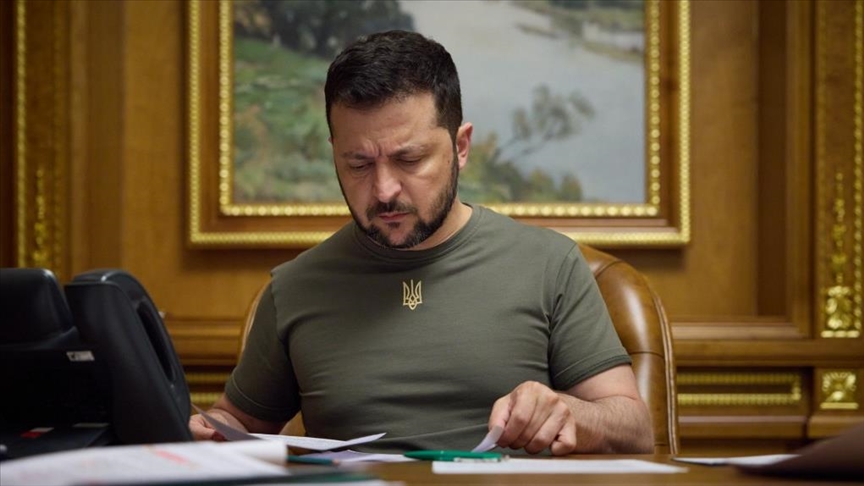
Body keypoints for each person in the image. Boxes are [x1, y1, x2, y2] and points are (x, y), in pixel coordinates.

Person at [189, 30, 653, 456]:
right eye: (358, 164)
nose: (384, 190)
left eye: (409, 159)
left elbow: (634, 428)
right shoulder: (294, 287)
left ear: (461, 147)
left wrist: (570, 414)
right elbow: (236, 423)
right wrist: (202, 430)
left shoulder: (549, 264)